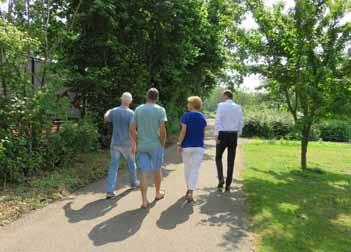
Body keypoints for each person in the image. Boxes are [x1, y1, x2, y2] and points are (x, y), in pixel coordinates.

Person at [130, 88, 167, 209]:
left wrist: (137, 141)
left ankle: (144, 201)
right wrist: (162, 144)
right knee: (157, 170)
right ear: (157, 98)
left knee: (144, 173)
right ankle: (157, 193)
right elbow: (162, 130)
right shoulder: (160, 110)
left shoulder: (138, 109)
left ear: (147, 96)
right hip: (155, 145)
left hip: (142, 146)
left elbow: (131, 129)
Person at [104, 92, 140, 200]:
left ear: (121, 99)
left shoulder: (114, 111)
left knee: (113, 166)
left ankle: (109, 191)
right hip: (127, 144)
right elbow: (132, 131)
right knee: (131, 164)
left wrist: (108, 111)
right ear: (130, 101)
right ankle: (133, 183)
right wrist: (134, 145)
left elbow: (106, 119)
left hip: (115, 144)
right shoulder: (132, 113)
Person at [177, 96, 207, 202]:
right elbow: (203, 133)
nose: (187, 105)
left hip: (187, 146)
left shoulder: (186, 116)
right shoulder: (203, 117)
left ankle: (188, 189)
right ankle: (190, 190)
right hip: (199, 146)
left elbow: (183, 131)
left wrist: (179, 144)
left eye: (188, 103)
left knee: (187, 168)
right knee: (195, 170)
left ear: (192, 104)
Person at [215, 90, 243, 192]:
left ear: (226, 96)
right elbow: (241, 121)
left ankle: (221, 178)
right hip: (233, 135)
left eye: (223, 95)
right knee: (231, 160)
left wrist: (216, 135)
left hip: (222, 134)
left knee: (218, 157)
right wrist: (238, 134)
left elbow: (218, 120)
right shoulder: (238, 107)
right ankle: (228, 185)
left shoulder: (221, 106)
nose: (222, 97)